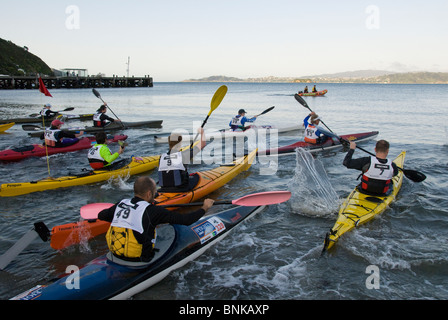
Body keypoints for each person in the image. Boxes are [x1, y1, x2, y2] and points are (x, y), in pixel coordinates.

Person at [98, 176, 215, 264]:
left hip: (115, 253)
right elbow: (186, 220)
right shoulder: (153, 212)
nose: (156, 194)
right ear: (149, 194)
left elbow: (101, 215)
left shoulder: (121, 204)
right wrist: (205, 207)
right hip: (139, 259)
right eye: (155, 193)